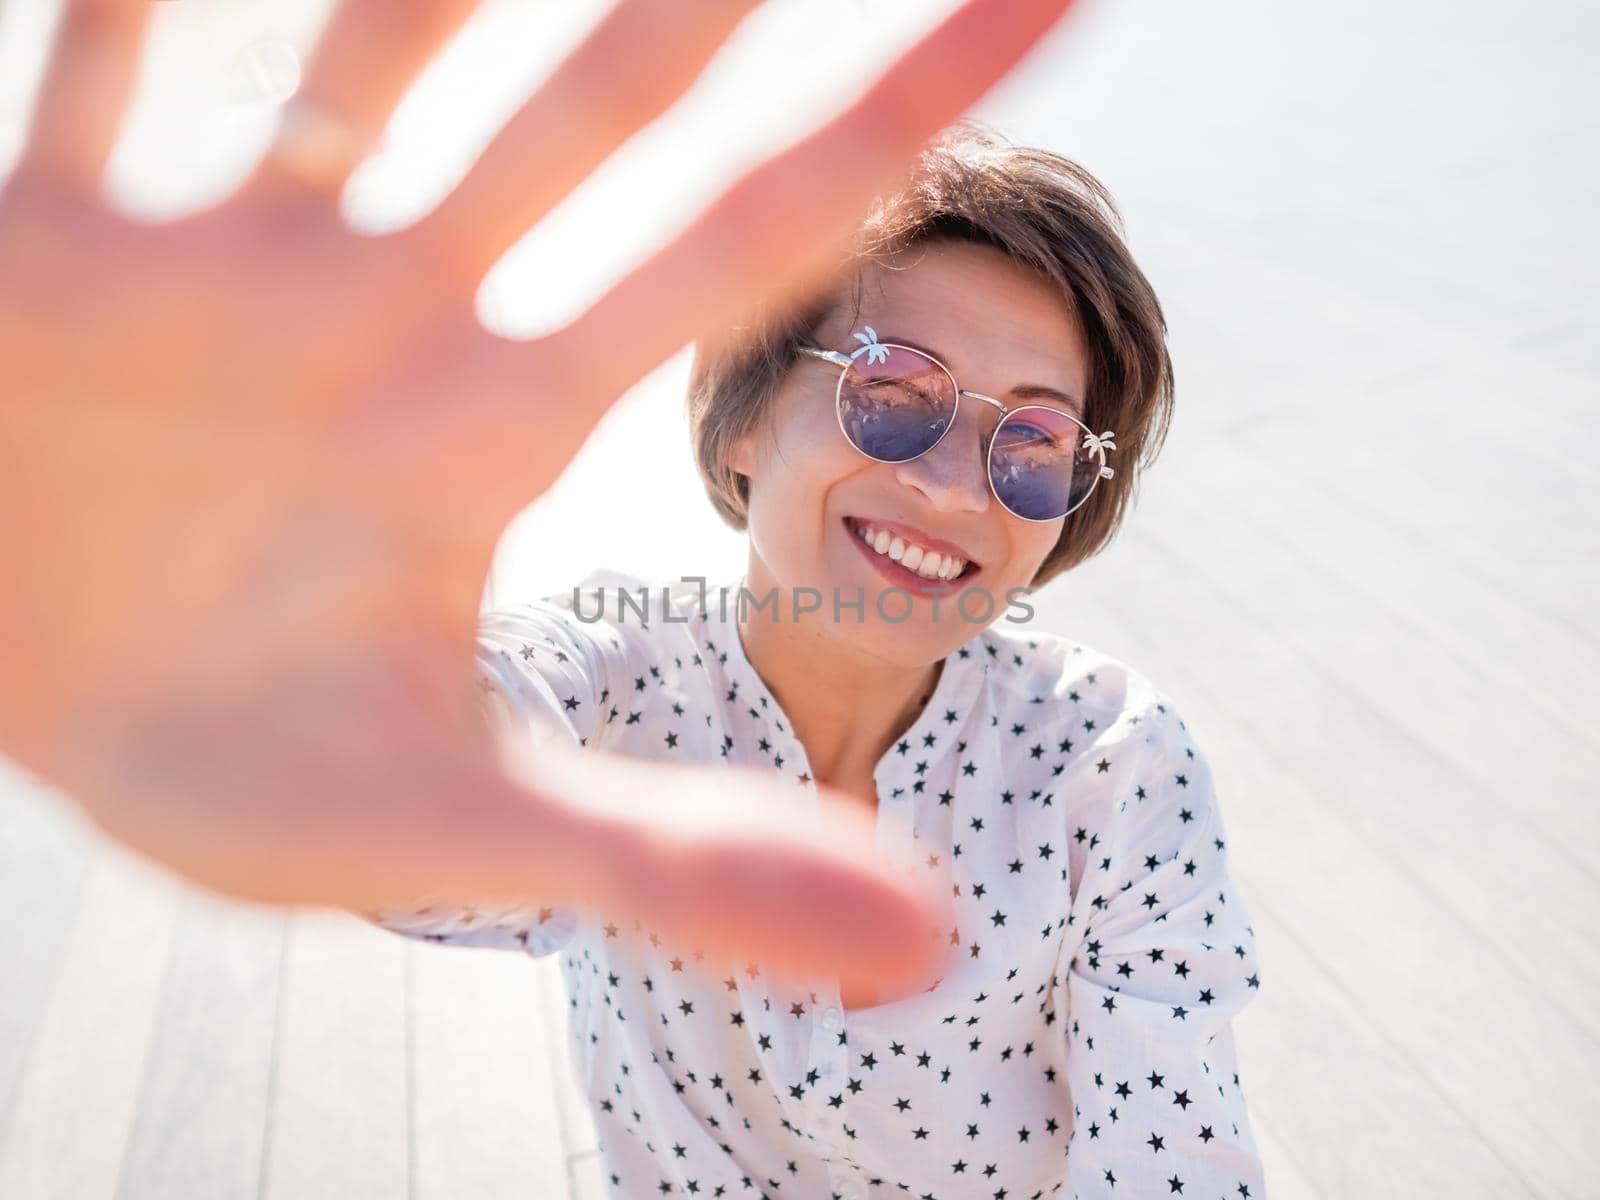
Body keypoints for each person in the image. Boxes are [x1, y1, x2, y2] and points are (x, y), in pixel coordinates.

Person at [0, 1, 1266, 1197]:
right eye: (892, 390)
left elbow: (1174, 1154)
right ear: (741, 428)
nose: (948, 487)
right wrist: (254, 692)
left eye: (1033, 448)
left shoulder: (1115, 766)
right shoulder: (608, 680)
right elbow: (454, 792)